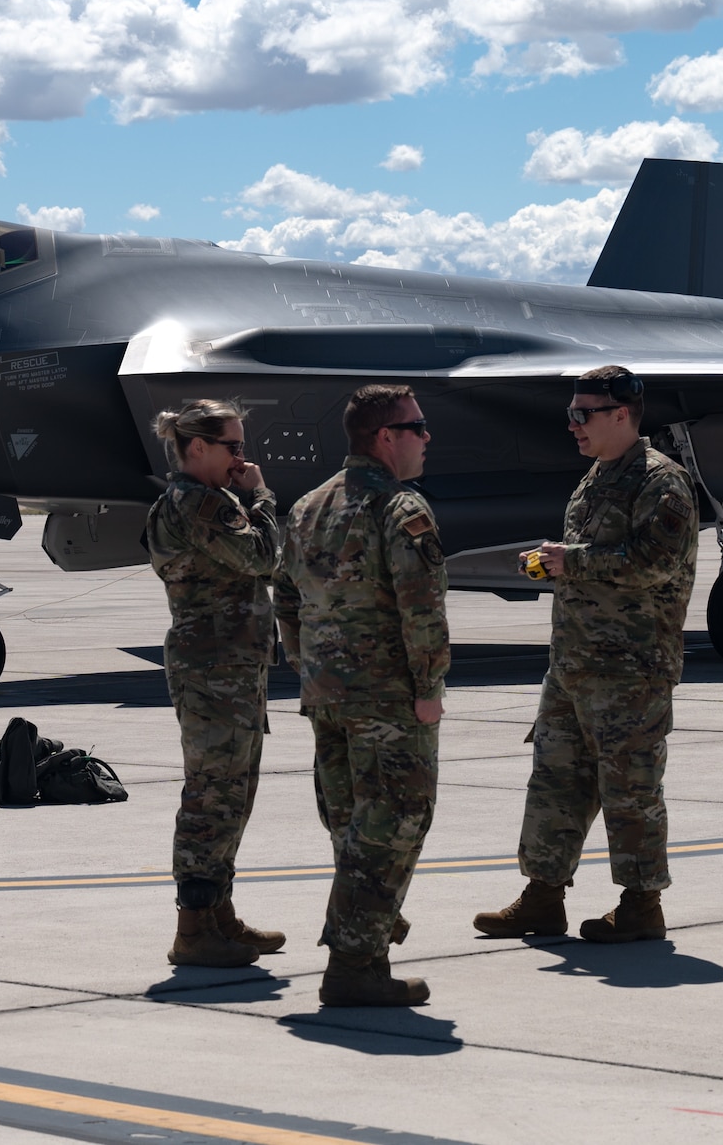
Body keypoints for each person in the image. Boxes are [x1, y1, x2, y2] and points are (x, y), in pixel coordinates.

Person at [475, 365, 697, 943]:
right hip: (574, 665)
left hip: (630, 670)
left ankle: (641, 906)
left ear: (621, 415)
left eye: (583, 414)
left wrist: (573, 561)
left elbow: (655, 563)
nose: (572, 425)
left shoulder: (661, 481)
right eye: (570, 413)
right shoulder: (597, 477)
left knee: (631, 789)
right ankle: (543, 897)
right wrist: (555, 562)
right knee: (554, 782)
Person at [275, 384, 447, 1006]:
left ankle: (367, 948)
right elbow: (421, 609)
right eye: (417, 427)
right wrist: (428, 688)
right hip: (388, 702)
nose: (427, 438)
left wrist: (310, 669)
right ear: (385, 438)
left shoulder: (308, 507)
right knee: (395, 823)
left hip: (329, 698)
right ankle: (352, 964)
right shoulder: (400, 510)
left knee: (352, 826)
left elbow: (285, 602)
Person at [146, 399, 284, 968]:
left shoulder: (201, 500)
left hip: (226, 668)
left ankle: (218, 914)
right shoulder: (201, 502)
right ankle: (195, 927)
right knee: (211, 797)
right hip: (215, 672)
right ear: (196, 447)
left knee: (232, 794)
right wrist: (263, 497)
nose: (241, 459)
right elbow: (266, 556)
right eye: (232, 447)